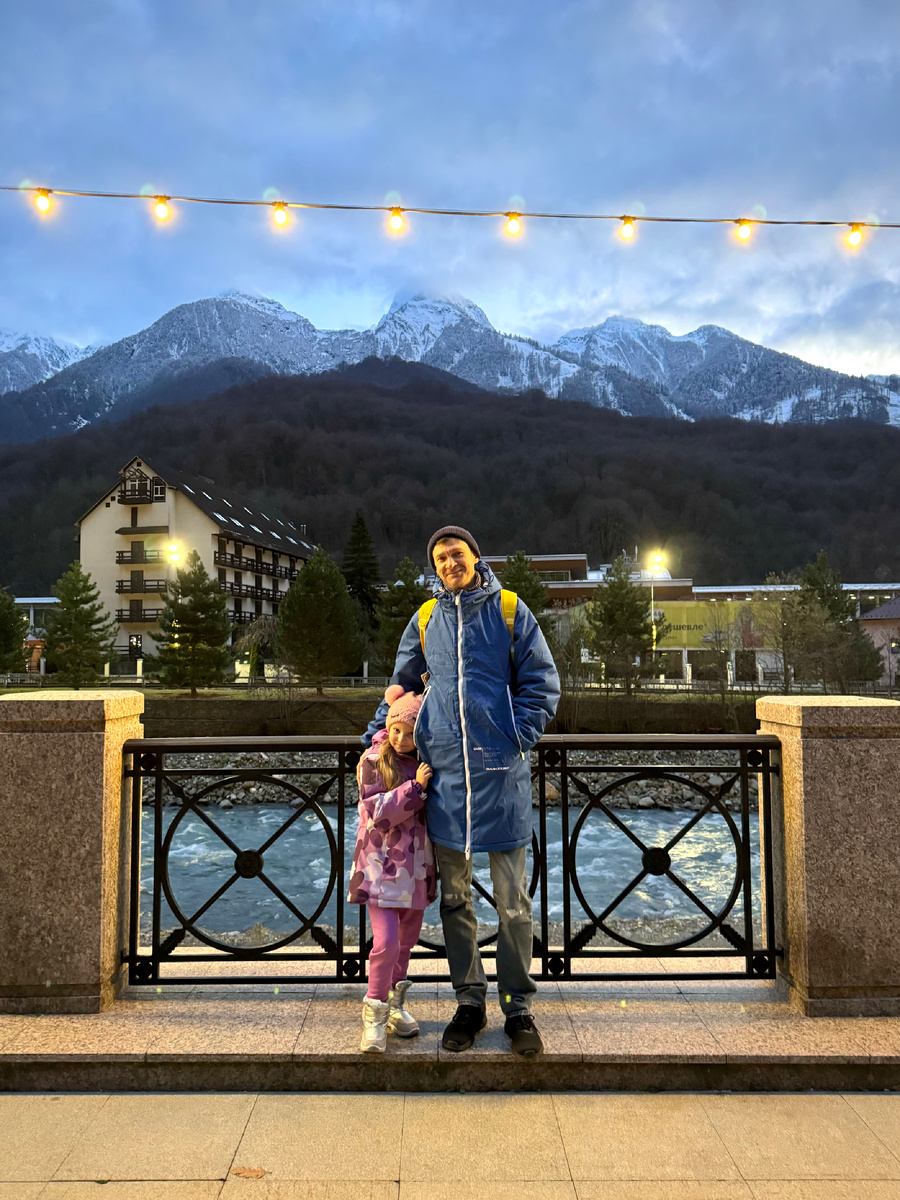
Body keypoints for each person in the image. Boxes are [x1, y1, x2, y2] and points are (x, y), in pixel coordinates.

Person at [364, 526, 560, 1058]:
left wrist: (515, 735)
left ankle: (517, 1007)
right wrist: (374, 741)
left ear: (475, 557)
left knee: (514, 905)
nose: (450, 563)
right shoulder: (427, 618)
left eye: (457, 554)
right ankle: (469, 1002)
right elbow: (401, 689)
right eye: (440, 558)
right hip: (446, 786)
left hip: (501, 782)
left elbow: (542, 683)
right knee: (455, 902)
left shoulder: (510, 610)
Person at [349, 684, 437, 1054]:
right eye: (395, 729)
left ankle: (394, 1005)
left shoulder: (427, 761)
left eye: (409, 732)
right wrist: (416, 790)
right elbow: (375, 812)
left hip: (416, 870)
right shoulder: (373, 760)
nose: (400, 739)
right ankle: (374, 1013)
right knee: (385, 942)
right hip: (380, 869)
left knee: (405, 942)